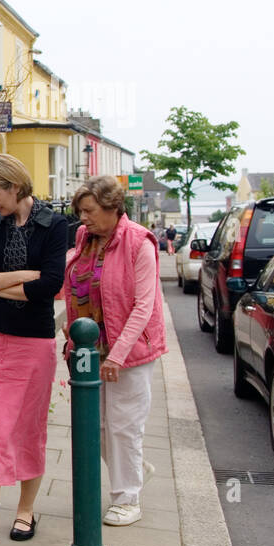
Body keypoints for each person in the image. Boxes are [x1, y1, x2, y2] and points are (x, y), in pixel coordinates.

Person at [0, 155, 68, 546]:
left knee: (27, 427)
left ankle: (25, 511)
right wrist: (24, 276)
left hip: (33, 342)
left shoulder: (55, 226)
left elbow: (51, 285)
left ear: (14, 185)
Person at [63, 176, 166, 526]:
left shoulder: (141, 242)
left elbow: (144, 306)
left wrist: (118, 354)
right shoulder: (84, 238)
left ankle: (127, 499)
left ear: (112, 207)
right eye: (80, 212)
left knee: (123, 425)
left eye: (89, 211)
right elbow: (77, 288)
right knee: (97, 427)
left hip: (130, 351)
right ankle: (134, 470)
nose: (83, 218)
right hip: (90, 348)